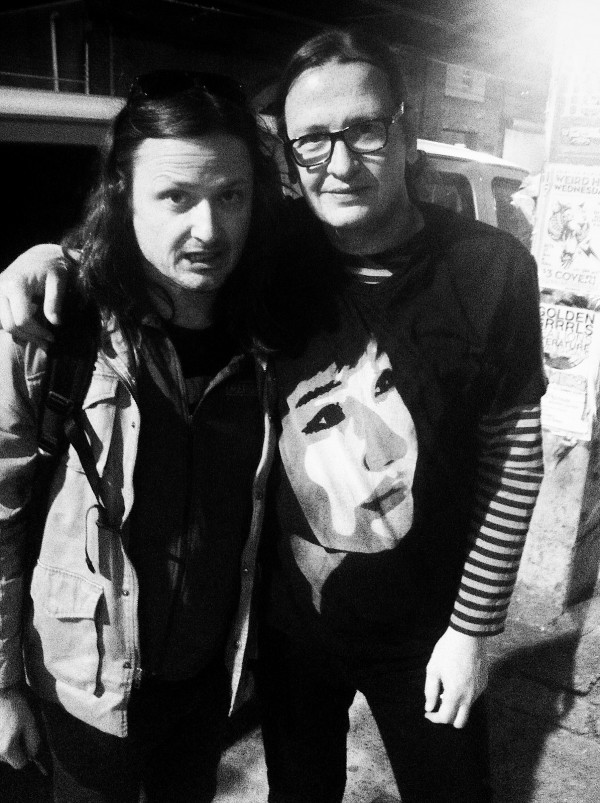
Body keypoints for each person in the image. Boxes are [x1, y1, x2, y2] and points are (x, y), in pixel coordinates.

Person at [0, 28, 546, 803]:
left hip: (421, 627)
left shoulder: (487, 267)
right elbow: (145, 237)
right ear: (289, 154)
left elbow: (514, 452)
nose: (341, 163)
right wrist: (48, 259)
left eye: (365, 129)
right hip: (282, 633)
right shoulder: (276, 254)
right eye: (312, 140)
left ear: (405, 130)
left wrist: (474, 628)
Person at [0, 68, 281, 803]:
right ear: (123, 194)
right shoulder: (59, 330)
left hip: (207, 688)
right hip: (82, 691)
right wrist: (1, 686)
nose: (209, 230)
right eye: (175, 197)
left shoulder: (273, 334)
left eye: (231, 196)